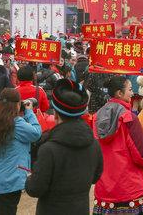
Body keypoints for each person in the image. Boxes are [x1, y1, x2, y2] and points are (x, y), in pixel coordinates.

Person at [25, 79, 103, 214]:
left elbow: (35, 189)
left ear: (55, 114)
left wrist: (29, 179)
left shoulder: (48, 149)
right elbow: (96, 177)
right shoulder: (94, 144)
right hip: (80, 209)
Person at [93, 76, 143, 214]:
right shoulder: (129, 118)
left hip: (104, 184)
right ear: (119, 93)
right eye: (130, 90)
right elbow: (141, 155)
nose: (132, 93)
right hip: (129, 185)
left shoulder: (97, 117)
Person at [0, 88, 41, 214]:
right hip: (10, 179)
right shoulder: (15, 123)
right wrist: (29, 112)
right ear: (16, 104)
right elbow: (36, 133)